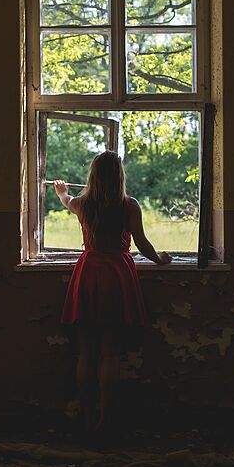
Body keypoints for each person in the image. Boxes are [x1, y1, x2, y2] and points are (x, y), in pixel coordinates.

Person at [53, 151, 172, 437]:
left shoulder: (82, 204)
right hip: (117, 275)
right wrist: (159, 259)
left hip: (88, 273)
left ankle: (86, 416)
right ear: (120, 176)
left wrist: (61, 192)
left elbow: (69, 202)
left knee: (85, 351)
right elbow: (142, 243)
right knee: (110, 352)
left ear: (92, 176)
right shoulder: (129, 205)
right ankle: (106, 418)